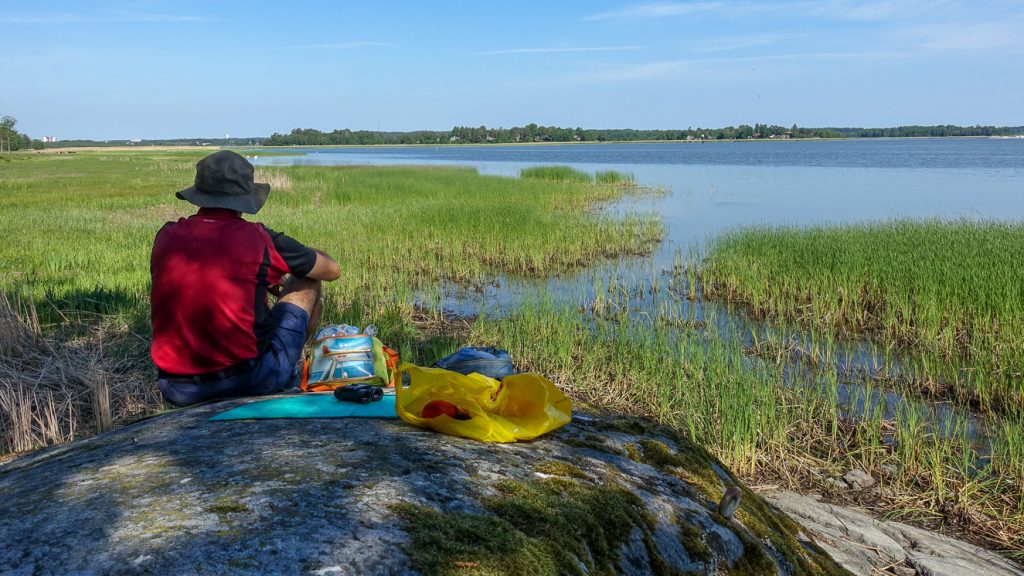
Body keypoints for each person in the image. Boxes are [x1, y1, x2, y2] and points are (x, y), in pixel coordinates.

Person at [150, 150, 340, 406]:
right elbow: (331, 271)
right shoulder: (259, 238)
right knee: (308, 281)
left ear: (199, 193)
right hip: (246, 380)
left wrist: (259, 281)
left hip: (176, 387)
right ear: (243, 198)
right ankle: (285, 370)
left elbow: (206, 279)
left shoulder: (167, 235)